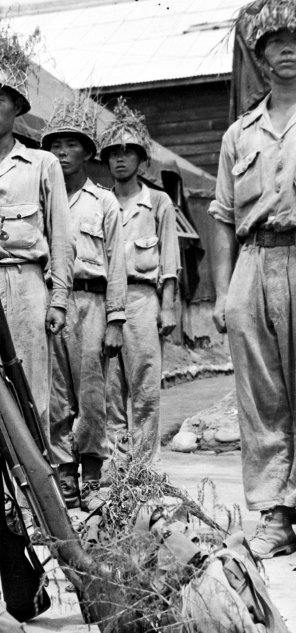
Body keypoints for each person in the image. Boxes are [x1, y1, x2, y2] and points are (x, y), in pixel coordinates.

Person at [209, 0, 296, 558]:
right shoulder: (239, 134)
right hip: (252, 261)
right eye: (276, 41)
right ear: (261, 56)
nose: (288, 48)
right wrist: (222, 291)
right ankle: (274, 516)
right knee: (261, 400)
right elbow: (220, 217)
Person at [0, 31, 72, 431]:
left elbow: (60, 238)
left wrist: (58, 300)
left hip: (26, 285)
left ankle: (33, 490)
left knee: (31, 391)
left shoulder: (42, 165)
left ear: (17, 107)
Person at [41, 93, 127, 511]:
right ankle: (63, 477)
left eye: (71, 144)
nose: (61, 152)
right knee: (55, 396)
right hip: (52, 303)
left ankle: (92, 475)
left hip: (92, 303)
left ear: (88, 152)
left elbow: (118, 261)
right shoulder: (43, 201)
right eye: (55, 145)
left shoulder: (104, 202)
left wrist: (116, 319)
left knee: (92, 396)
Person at [100, 98, 179, 465]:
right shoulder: (100, 202)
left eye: (128, 152)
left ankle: (145, 467)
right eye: (113, 153)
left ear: (140, 159)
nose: (120, 159)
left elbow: (169, 260)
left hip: (143, 299)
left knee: (145, 386)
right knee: (110, 388)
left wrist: (168, 305)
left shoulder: (159, 202)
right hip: (104, 301)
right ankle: (118, 470)